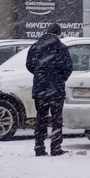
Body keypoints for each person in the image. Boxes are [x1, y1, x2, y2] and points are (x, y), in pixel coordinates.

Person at [26, 23, 73, 156]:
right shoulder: (61, 47)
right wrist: (60, 78)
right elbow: (68, 67)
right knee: (56, 120)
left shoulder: (35, 46)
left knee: (41, 118)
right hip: (56, 89)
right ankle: (56, 147)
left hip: (40, 88)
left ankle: (39, 147)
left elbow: (29, 65)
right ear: (59, 34)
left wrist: (40, 75)